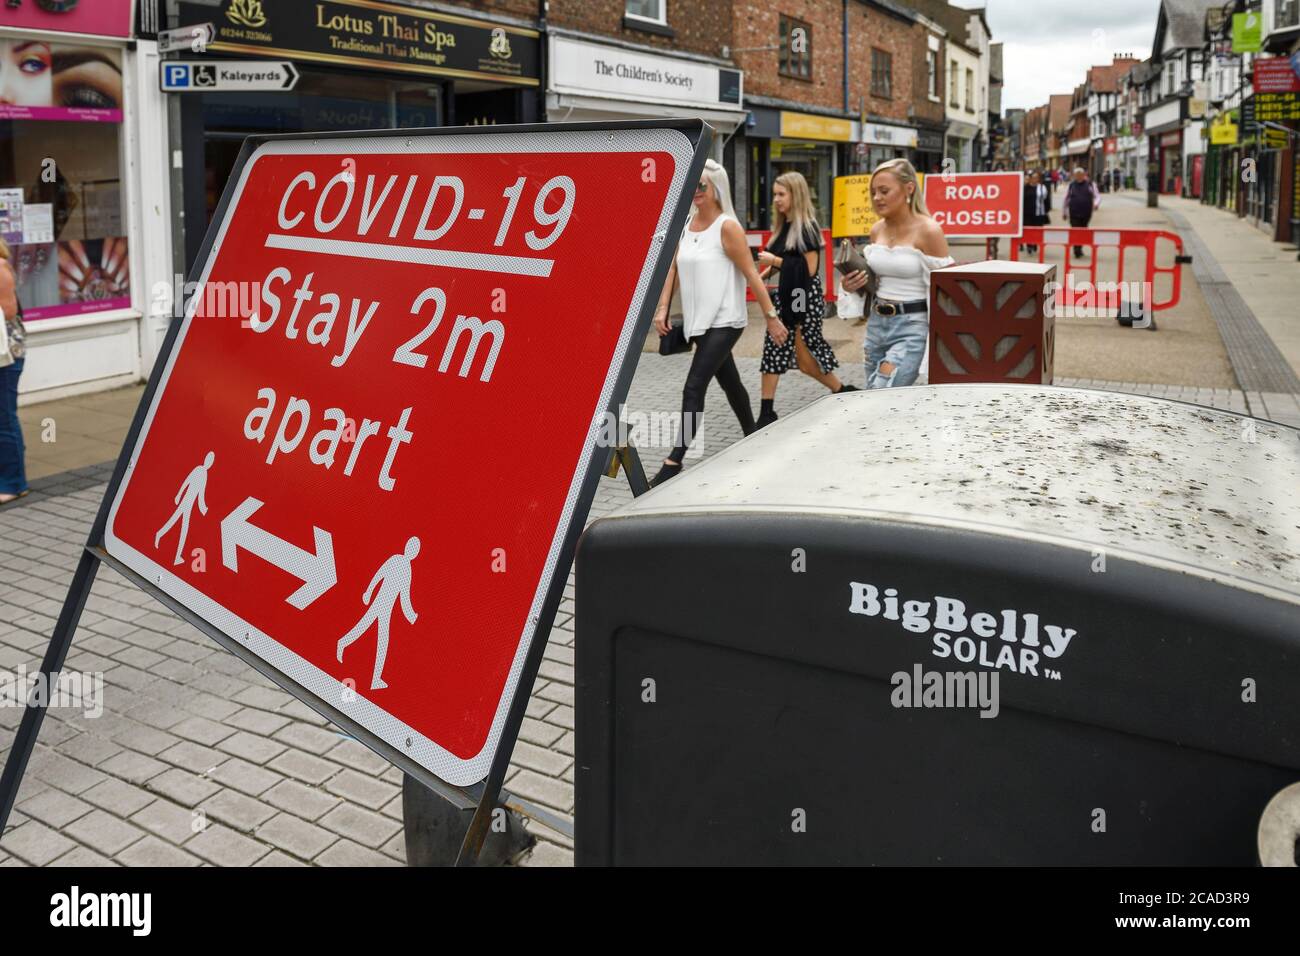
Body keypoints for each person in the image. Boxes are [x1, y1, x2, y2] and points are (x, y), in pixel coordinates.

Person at [650, 159, 772, 486]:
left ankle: (674, 460)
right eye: (691, 185)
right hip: (698, 322)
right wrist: (663, 308)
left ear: (717, 187)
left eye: (701, 185)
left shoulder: (728, 227)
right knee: (730, 383)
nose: (695, 192)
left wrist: (771, 317)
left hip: (726, 319)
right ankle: (752, 434)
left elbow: (751, 274)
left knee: (694, 386)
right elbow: (673, 268)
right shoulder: (687, 223)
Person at [841, 159, 953, 388]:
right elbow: (874, 281)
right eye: (873, 192)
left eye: (884, 191)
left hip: (912, 326)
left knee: (882, 387)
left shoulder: (929, 231)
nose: (877, 198)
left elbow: (947, 288)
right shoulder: (876, 229)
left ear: (909, 188)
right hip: (875, 325)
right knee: (876, 391)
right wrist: (851, 284)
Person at [755, 171, 854, 429]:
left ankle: (842, 389)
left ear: (795, 195)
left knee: (805, 356)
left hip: (802, 299)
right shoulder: (785, 225)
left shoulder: (807, 227)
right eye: (775, 194)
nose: (776, 199)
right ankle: (766, 412)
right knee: (775, 346)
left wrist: (773, 262)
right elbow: (786, 262)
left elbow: (807, 271)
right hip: (787, 295)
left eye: (781, 194)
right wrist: (760, 276)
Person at [337, 536, 421, 691]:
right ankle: (342, 644)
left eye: (415, 550)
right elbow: (380, 574)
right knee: (369, 632)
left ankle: (374, 677)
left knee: (377, 636)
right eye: (412, 547)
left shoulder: (406, 568)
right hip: (380, 603)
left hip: (386, 607)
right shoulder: (396, 560)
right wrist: (368, 591)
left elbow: (404, 595)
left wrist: (411, 615)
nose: (413, 551)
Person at [0, 238, 27, 507]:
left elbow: (8, 312)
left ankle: (14, 483)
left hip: (6, 353)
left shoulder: (0, 268)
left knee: (5, 417)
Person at [1063, 166, 1101, 258]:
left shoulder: (1090, 184)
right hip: (1074, 212)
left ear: (1084, 175)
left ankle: (1079, 247)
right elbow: (1065, 199)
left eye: (1081, 174)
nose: (1079, 176)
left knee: (1083, 230)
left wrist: (1096, 204)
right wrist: (1064, 212)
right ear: (1074, 176)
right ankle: (1076, 250)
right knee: (1075, 230)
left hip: (1086, 213)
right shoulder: (1071, 185)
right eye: (1077, 175)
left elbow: (1098, 196)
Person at [1020, 170, 1050, 255]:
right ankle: (1029, 245)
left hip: (1038, 213)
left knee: (1037, 230)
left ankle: (1035, 244)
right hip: (1027, 213)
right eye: (1033, 177)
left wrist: (1047, 210)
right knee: (1028, 229)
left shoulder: (1042, 187)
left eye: (1036, 178)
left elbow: (1045, 198)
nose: (1034, 179)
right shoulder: (1025, 188)